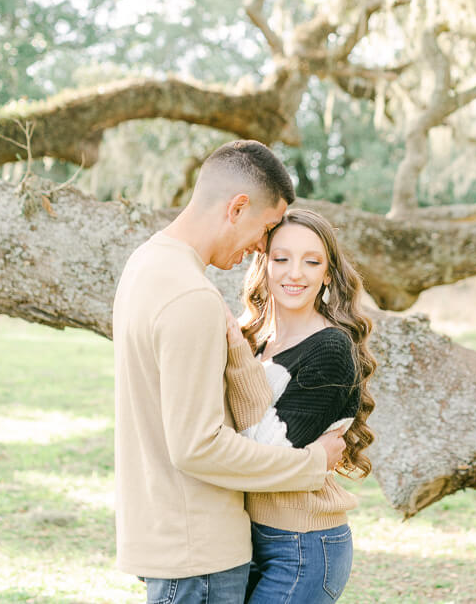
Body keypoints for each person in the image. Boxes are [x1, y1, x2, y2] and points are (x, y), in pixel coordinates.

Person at [112, 140, 347, 604]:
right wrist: (314, 463)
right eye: (264, 230)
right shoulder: (191, 297)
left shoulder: (144, 264)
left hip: (164, 531)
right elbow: (198, 446)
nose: (261, 247)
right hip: (198, 547)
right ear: (237, 207)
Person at [226, 208, 378, 604]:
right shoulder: (260, 341)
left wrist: (234, 353)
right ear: (264, 263)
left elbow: (268, 452)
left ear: (328, 274)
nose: (295, 273)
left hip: (303, 546)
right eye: (281, 258)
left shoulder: (330, 348)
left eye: (311, 262)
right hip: (252, 536)